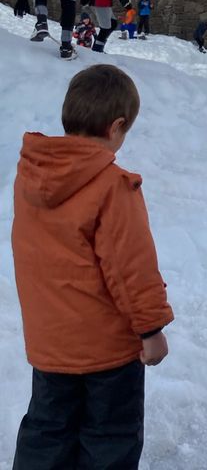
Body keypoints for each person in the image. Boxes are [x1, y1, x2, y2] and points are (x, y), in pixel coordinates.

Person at [11, 65, 174, 469]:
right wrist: (151, 330)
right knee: (109, 439)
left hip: (50, 346)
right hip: (108, 354)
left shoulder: (31, 175)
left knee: (47, 433)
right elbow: (129, 268)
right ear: (116, 126)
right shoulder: (112, 186)